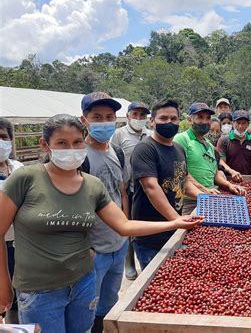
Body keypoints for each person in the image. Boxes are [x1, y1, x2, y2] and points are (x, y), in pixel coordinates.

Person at [0, 114, 203, 332]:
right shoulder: (25, 179)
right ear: (45, 144)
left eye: (77, 142)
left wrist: (175, 223)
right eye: (62, 143)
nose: (71, 149)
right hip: (39, 291)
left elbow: (124, 226)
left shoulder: (92, 185)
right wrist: (3, 284)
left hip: (83, 282)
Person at [131, 100, 204, 269]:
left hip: (173, 230)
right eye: (163, 118)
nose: (169, 123)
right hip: (151, 235)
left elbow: (183, 180)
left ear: (180, 121)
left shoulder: (178, 148)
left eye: (173, 118)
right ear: (152, 121)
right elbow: (150, 187)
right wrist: (176, 219)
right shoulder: (145, 149)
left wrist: (203, 196)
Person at [79, 92, 130, 332]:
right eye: (97, 117)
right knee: (87, 305)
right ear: (84, 120)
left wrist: (127, 230)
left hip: (118, 244)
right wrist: (85, 247)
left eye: (109, 117)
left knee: (110, 303)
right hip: (94, 248)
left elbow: (121, 192)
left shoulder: (117, 152)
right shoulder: (79, 158)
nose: (104, 122)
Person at [174, 102, 245, 215]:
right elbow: (181, 175)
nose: (205, 121)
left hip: (211, 198)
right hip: (191, 202)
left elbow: (215, 174)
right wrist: (204, 191)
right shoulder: (181, 139)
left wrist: (229, 185)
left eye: (208, 118)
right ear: (189, 120)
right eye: (200, 117)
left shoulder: (209, 145)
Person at [111, 100, 151, 280]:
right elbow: (114, 158)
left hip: (146, 187)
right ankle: (129, 263)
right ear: (128, 116)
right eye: (135, 114)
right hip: (127, 187)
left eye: (142, 115)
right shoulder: (119, 135)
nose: (138, 118)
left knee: (143, 224)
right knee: (128, 223)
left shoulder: (150, 135)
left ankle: (145, 258)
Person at [0, 118, 23, 324]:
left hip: (18, 242)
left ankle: (16, 325)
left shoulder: (18, 168)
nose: (0, 143)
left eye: (3, 137)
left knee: (17, 292)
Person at [216, 110, 251, 182]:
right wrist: (231, 171)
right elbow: (221, 161)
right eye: (238, 123)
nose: (240, 126)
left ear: (248, 124)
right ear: (233, 124)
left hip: (247, 179)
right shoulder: (224, 140)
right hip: (229, 179)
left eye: (243, 123)